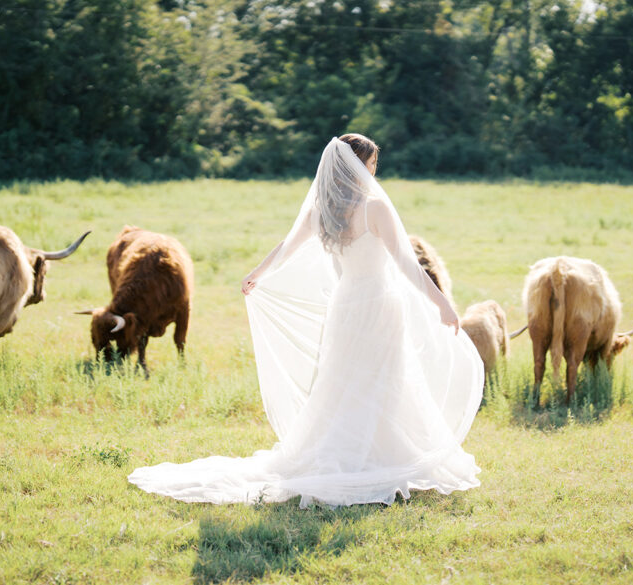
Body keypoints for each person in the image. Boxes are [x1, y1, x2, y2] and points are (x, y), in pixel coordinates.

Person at [128, 134, 484, 507]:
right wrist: (442, 303)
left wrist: (257, 273)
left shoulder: (322, 211)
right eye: (373, 165)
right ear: (360, 167)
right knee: (384, 378)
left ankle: (362, 453)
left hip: (346, 306)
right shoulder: (375, 208)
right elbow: (406, 264)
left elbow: (286, 247)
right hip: (379, 304)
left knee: (345, 382)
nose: (375, 172)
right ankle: (384, 458)